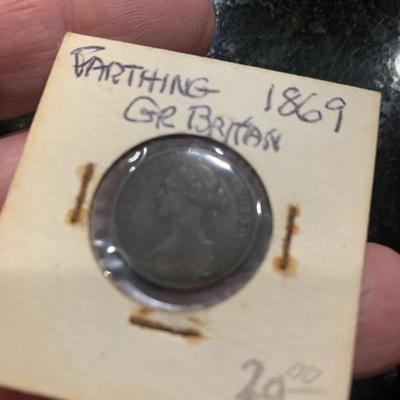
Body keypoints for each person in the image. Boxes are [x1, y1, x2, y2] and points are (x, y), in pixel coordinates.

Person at [0, 1, 398, 397]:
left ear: (192, 197)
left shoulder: (194, 258)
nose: (160, 195)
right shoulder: (156, 251)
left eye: (170, 189)